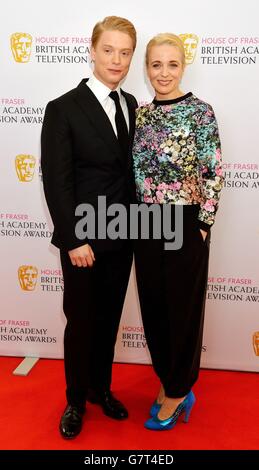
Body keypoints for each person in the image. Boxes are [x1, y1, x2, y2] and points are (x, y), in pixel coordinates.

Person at [41, 16, 137, 439]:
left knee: (109, 319)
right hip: (84, 239)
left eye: (125, 52)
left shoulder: (132, 103)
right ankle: (75, 400)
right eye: (109, 50)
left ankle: (101, 388)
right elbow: (57, 180)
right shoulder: (63, 108)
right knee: (80, 321)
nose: (117, 60)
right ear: (92, 51)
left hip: (124, 234)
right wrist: (73, 238)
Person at [132, 33, 223, 430]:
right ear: (147, 68)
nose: (163, 73)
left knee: (182, 312)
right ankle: (169, 378)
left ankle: (180, 389)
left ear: (183, 66)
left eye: (171, 64)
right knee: (154, 309)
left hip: (185, 222)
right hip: (145, 223)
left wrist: (202, 225)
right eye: (156, 64)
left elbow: (214, 172)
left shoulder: (201, 112)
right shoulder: (141, 114)